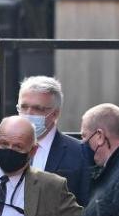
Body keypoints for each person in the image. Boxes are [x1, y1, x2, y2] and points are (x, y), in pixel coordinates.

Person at [17, 76, 94, 205]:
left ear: (55, 114)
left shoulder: (80, 153)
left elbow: (85, 205)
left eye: (37, 108)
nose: (28, 113)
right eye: (24, 107)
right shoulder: (4, 146)